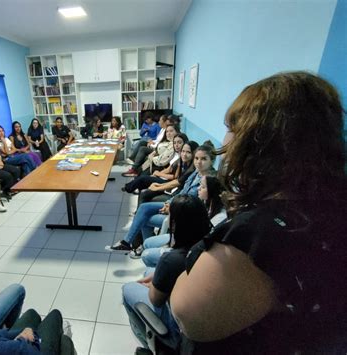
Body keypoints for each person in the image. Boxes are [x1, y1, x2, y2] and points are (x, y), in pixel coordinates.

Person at [170, 72, 346, 354]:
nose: (225, 140)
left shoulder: (260, 230)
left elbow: (187, 315)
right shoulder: (326, 208)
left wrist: (177, 274)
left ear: (259, 141)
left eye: (232, 127)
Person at [122, 195, 212, 349]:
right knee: (149, 271)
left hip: (179, 325)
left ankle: (153, 344)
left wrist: (152, 286)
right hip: (198, 316)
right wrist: (157, 277)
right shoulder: (208, 245)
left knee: (128, 288)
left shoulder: (171, 259)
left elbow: (156, 299)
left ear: (175, 224)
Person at [110, 142, 217, 252]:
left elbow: (194, 205)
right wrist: (169, 203)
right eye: (197, 158)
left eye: (204, 159)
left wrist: (171, 207)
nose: (199, 162)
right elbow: (182, 193)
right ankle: (134, 244)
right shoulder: (196, 173)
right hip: (175, 203)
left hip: (184, 216)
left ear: (212, 161)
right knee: (143, 208)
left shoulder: (209, 180)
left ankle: (145, 247)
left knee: (144, 218)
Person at [141, 175, 227, 267]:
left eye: (202, 187)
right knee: (147, 243)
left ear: (212, 191)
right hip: (181, 239)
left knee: (146, 255)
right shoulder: (203, 202)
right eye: (199, 185)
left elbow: (200, 238)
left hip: (189, 247)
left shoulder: (219, 216)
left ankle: (161, 270)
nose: (198, 188)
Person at [136, 140, 199, 205]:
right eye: (183, 151)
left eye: (188, 152)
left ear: (194, 153)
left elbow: (177, 182)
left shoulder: (192, 169)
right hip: (172, 190)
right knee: (144, 190)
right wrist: (159, 185)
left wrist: (158, 187)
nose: (184, 154)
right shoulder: (183, 162)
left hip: (177, 196)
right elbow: (175, 178)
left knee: (146, 194)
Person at [122, 134, 190, 194]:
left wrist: (158, 174)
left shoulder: (182, 158)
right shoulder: (176, 154)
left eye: (179, 143)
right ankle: (133, 188)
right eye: (174, 143)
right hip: (164, 177)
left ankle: (128, 188)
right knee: (143, 177)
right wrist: (156, 174)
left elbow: (175, 177)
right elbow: (169, 169)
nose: (176, 145)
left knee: (143, 178)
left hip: (168, 182)